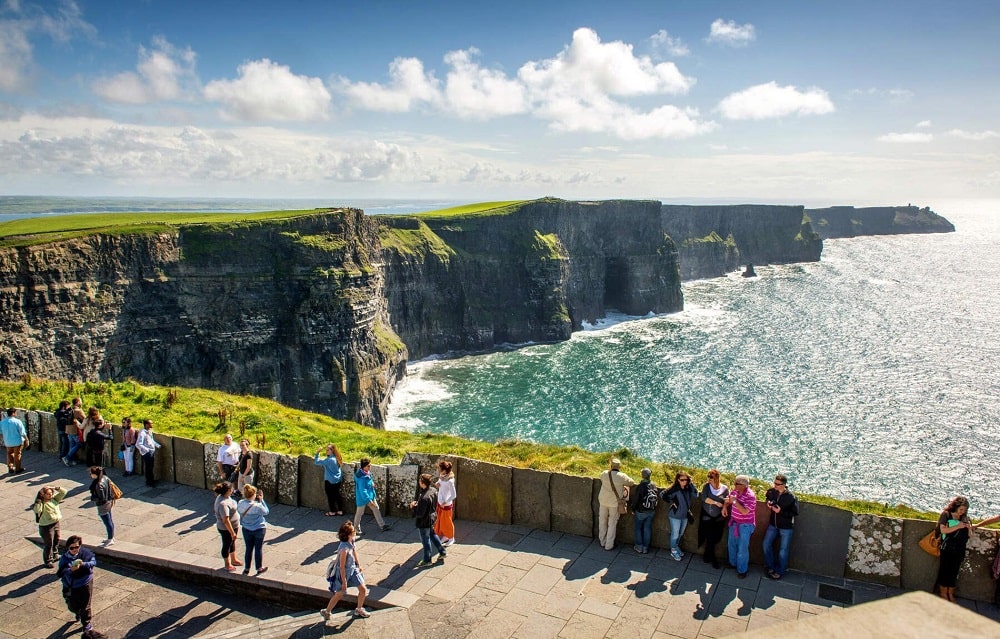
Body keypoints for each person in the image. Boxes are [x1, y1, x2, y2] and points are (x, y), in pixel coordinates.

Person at [57, 536, 106, 639]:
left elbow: (93, 562)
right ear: (68, 548)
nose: (74, 550)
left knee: (86, 605)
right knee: (72, 605)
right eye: (72, 548)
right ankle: (77, 612)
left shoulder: (85, 553)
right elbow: (62, 571)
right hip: (71, 586)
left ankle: (86, 623)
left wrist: (83, 564)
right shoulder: (64, 558)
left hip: (85, 583)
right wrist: (71, 570)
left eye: (77, 547)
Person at [320, 520, 370, 620]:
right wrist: (344, 581)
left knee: (363, 589)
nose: (355, 533)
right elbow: (342, 567)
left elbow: (354, 551)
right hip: (344, 573)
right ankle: (327, 611)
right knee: (339, 593)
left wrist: (358, 564)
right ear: (348, 535)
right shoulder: (344, 550)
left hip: (353, 569)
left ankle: (359, 609)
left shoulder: (351, 541)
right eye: (353, 532)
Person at [936, 495, 974, 602]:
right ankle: (943, 592)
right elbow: (943, 530)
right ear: (955, 506)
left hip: (959, 549)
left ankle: (950, 593)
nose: (962, 512)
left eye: (964, 510)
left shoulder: (965, 518)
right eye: (961, 509)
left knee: (954, 571)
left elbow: (970, 535)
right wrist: (958, 526)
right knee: (944, 570)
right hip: (947, 548)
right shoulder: (946, 515)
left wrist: (969, 528)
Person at [762, 474, 799, 580]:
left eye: (778, 484)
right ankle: (771, 566)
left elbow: (795, 512)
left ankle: (780, 571)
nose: (775, 486)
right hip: (773, 524)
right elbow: (768, 498)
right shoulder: (772, 491)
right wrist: (768, 503)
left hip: (786, 527)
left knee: (783, 550)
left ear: (784, 485)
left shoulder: (791, 497)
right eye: (774, 483)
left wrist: (780, 511)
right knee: (766, 544)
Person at [597, 458, 634, 551]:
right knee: (612, 523)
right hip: (614, 503)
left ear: (611, 466)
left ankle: (602, 541)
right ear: (619, 467)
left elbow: (601, 478)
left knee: (602, 521)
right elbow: (631, 483)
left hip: (603, 501)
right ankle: (609, 545)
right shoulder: (622, 476)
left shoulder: (604, 474)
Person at [724, 475, 757, 578]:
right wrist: (725, 507)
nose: (734, 485)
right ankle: (732, 563)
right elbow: (728, 500)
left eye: (736, 483)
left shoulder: (750, 496)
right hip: (734, 522)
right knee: (732, 544)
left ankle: (742, 570)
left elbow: (744, 511)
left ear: (743, 485)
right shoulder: (735, 492)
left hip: (745, 525)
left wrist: (734, 501)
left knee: (742, 548)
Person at [411, 472, 447, 566]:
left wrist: (413, 507)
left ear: (423, 483)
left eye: (420, 481)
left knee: (425, 540)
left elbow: (420, 514)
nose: (419, 482)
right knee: (432, 534)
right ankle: (442, 552)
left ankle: (427, 560)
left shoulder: (424, 497)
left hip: (424, 522)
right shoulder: (433, 490)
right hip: (432, 518)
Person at [661, 471, 698, 561]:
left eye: (686, 480)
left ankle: (676, 546)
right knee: (675, 534)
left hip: (684, 515)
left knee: (680, 533)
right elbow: (662, 494)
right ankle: (673, 550)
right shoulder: (675, 489)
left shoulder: (688, 488)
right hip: (675, 515)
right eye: (682, 480)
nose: (684, 481)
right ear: (678, 480)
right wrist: (673, 502)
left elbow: (696, 495)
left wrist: (691, 484)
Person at [698, 469, 729, 569]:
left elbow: (727, 500)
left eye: (711, 477)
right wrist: (716, 503)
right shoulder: (706, 487)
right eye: (708, 476)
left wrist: (724, 506)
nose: (709, 479)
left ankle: (706, 555)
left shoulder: (724, 488)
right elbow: (704, 498)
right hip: (707, 516)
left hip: (719, 517)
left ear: (717, 478)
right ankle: (713, 559)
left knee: (717, 538)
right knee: (710, 537)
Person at [237, 484, 269, 576]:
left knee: (248, 548)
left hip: (246, 528)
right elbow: (266, 512)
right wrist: (262, 500)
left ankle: (247, 568)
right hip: (259, 528)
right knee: (258, 548)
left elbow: (239, 511)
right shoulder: (257, 506)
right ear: (253, 494)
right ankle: (259, 567)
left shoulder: (240, 503)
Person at [32, 485, 67, 568]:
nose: (50, 495)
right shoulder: (41, 503)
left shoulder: (54, 500)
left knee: (56, 539)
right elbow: (37, 510)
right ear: (43, 495)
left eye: (51, 493)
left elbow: (64, 492)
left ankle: (55, 554)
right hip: (46, 526)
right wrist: (38, 501)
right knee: (49, 544)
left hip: (55, 522)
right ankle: (48, 560)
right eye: (48, 494)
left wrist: (56, 488)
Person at [353, 458, 390, 537]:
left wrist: (372, 483)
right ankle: (356, 529)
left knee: (376, 509)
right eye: (369, 466)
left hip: (370, 496)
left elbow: (369, 481)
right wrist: (369, 501)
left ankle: (382, 525)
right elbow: (363, 491)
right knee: (359, 514)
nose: (370, 467)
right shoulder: (361, 478)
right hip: (364, 499)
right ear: (364, 467)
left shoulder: (366, 473)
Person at [213, 481, 242, 572]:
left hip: (234, 525)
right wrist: (232, 532)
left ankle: (234, 559)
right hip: (226, 529)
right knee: (227, 544)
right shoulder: (223, 504)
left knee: (232, 543)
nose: (233, 490)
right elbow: (225, 520)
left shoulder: (225, 497)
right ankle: (227, 564)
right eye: (232, 489)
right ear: (228, 490)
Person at [630, 468, 658, 554]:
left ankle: (639, 547)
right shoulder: (653, 485)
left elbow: (636, 499)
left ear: (642, 476)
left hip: (641, 511)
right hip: (651, 511)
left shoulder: (641, 486)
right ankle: (645, 548)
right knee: (647, 528)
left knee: (638, 528)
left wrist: (633, 509)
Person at [88, 466, 117, 546]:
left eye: (91, 473)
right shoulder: (105, 478)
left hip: (103, 506)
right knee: (110, 520)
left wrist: (93, 498)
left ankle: (110, 539)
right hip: (109, 502)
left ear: (95, 474)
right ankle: (111, 536)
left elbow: (101, 498)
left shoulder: (98, 484)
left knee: (107, 522)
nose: (90, 475)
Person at [315, 443, 344, 516]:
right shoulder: (337, 458)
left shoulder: (329, 460)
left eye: (328, 450)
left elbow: (317, 462)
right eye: (326, 450)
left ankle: (332, 511)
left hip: (329, 481)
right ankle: (340, 510)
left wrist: (317, 453)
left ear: (332, 451)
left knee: (330, 496)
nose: (326, 451)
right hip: (338, 479)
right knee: (337, 495)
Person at [434, 459, 457, 547]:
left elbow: (453, 495)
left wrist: (445, 501)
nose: (439, 470)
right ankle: (446, 535)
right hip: (440, 502)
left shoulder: (450, 481)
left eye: (440, 469)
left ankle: (451, 538)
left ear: (444, 470)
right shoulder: (442, 476)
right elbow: (439, 482)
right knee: (441, 520)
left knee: (447, 521)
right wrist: (437, 483)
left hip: (446, 504)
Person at [1, 407, 28, 473]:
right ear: (13, 413)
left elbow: (1, 432)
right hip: (17, 441)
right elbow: (22, 433)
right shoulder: (17, 421)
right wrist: (27, 440)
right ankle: (18, 469)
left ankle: (10, 466)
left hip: (8, 442)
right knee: (17, 455)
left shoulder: (2, 422)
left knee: (9, 454)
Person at [136, 419, 161, 487]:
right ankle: (149, 482)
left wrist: (157, 445)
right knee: (149, 468)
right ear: (146, 425)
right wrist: (147, 450)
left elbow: (151, 440)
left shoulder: (149, 431)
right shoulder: (142, 433)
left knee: (151, 467)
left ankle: (151, 480)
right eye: (150, 424)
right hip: (147, 453)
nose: (152, 425)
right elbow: (138, 444)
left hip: (151, 452)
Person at [62, 398, 86, 466]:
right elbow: (85, 419)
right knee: (79, 444)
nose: (81, 403)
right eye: (81, 401)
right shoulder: (78, 411)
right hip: (75, 430)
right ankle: (67, 458)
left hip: (68, 430)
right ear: (78, 402)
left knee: (72, 445)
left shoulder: (68, 409)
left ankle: (73, 460)